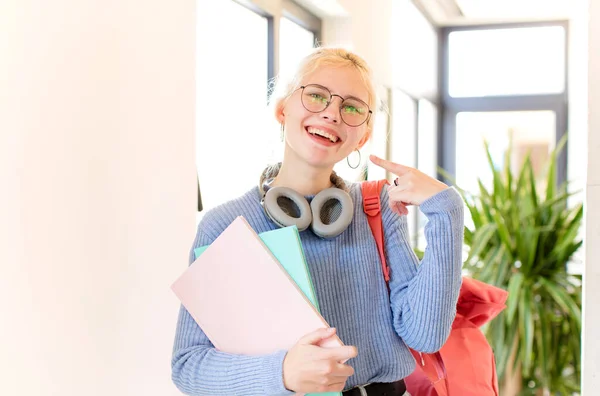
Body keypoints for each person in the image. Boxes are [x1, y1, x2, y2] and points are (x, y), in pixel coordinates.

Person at [171, 47, 464, 396]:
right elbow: (188, 366)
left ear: (364, 136)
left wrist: (447, 211)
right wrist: (281, 373)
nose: (332, 114)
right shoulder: (226, 224)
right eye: (316, 96)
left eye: (352, 107)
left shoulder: (377, 208)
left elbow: (425, 335)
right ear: (283, 109)